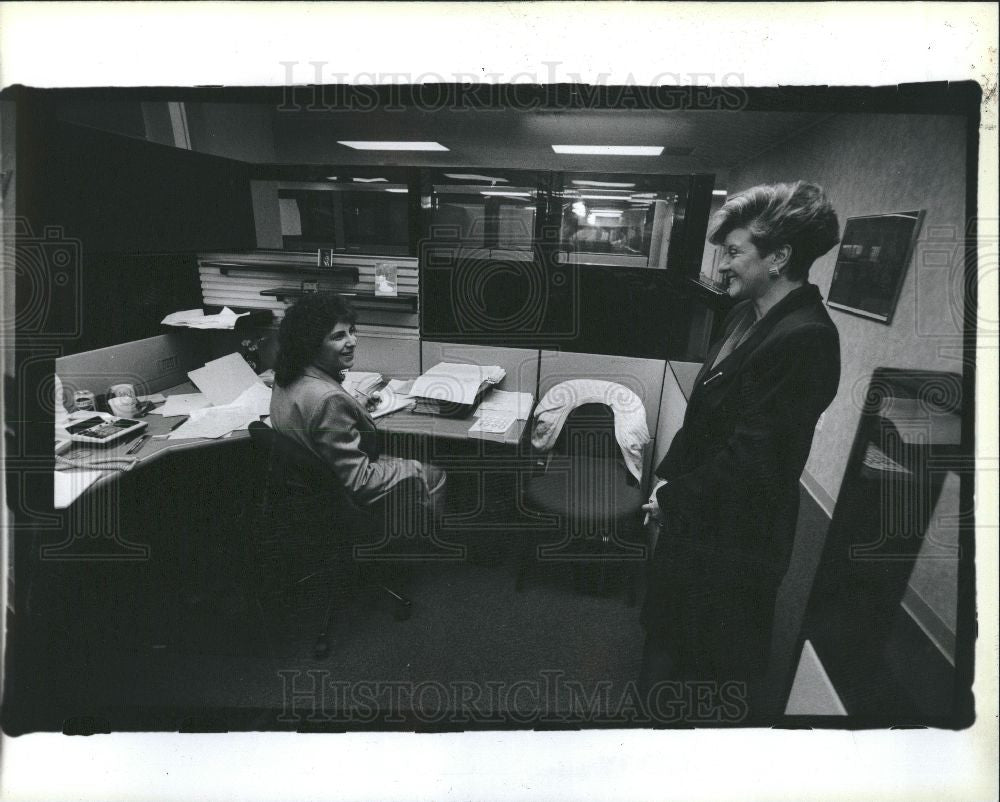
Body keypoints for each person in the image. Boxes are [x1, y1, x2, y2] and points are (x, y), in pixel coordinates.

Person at [639, 181, 842, 712]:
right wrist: (667, 478)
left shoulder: (806, 338)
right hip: (698, 510)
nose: (721, 265)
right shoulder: (741, 314)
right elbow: (704, 414)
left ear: (778, 258)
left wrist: (671, 498)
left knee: (708, 665)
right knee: (667, 639)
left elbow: (755, 460)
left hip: (736, 535)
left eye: (733, 252)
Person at [269, 292, 445, 516]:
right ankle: (424, 542)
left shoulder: (286, 377)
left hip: (314, 490)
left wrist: (355, 406)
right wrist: (414, 468)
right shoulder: (329, 400)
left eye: (352, 331)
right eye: (338, 337)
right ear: (311, 345)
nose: (352, 342)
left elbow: (314, 416)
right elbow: (359, 482)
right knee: (433, 473)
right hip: (346, 504)